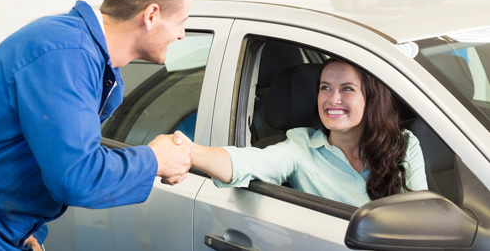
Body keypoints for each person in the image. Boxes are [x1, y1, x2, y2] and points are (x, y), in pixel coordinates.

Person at [0, 0, 196, 251]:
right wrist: (155, 160)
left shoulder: (77, 50)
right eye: (180, 22)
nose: (181, 34)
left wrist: (20, 231)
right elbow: (76, 176)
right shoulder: (66, 55)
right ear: (151, 15)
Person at [178, 59, 428, 207]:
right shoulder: (300, 147)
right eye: (325, 88)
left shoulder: (403, 144)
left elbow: (423, 216)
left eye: (347, 89)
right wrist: (188, 151)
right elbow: (246, 162)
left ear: (371, 98)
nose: (333, 99)